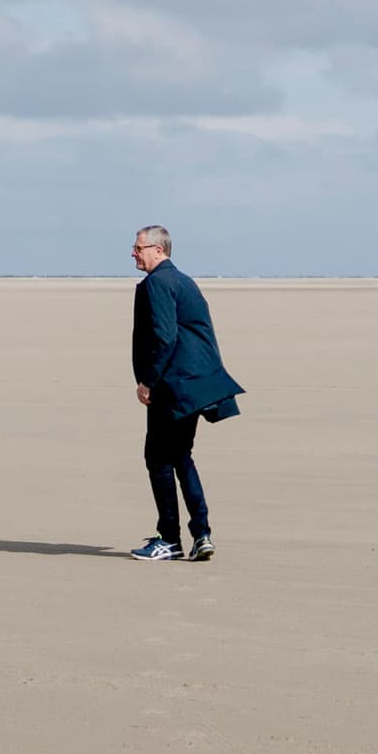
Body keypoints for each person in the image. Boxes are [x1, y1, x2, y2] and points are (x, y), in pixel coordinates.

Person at [126, 223, 240, 561]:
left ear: (158, 250)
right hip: (194, 384)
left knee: (158, 459)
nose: (133, 253)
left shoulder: (158, 283)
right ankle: (201, 534)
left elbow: (164, 337)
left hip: (174, 385)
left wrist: (148, 380)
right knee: (179, 456)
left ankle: (170, 539)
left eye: (138, 247)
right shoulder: (184, 281)